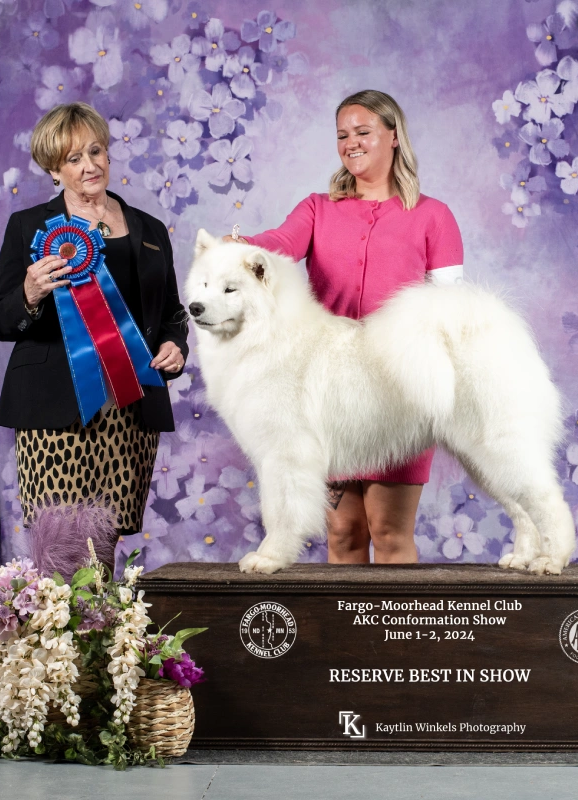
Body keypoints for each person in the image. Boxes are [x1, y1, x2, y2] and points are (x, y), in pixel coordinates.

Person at [230, 89, 464, 565]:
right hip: (329, 392)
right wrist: (242, 245)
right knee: (342, 533)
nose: (351, 142)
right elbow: (279, 243)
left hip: (398, 392)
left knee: (389, 530)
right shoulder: (318, 207)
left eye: (363, 132)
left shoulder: (434, 216)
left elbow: (451, 308)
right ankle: (352, 641)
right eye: (342, 134)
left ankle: (399, 639)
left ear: (393, 136)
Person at [0, 102, 188, 568]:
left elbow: (173, 312)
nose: (90, 165)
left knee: (105, 542)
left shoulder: (150, 229)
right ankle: (62, 638)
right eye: (74, 158)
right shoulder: (29, 227)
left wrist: (174, 345)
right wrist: (30, 293)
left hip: (128, 405)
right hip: (53, 408)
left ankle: (98, 634)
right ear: (54, 170)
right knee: (61, 543)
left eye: (95, 151)